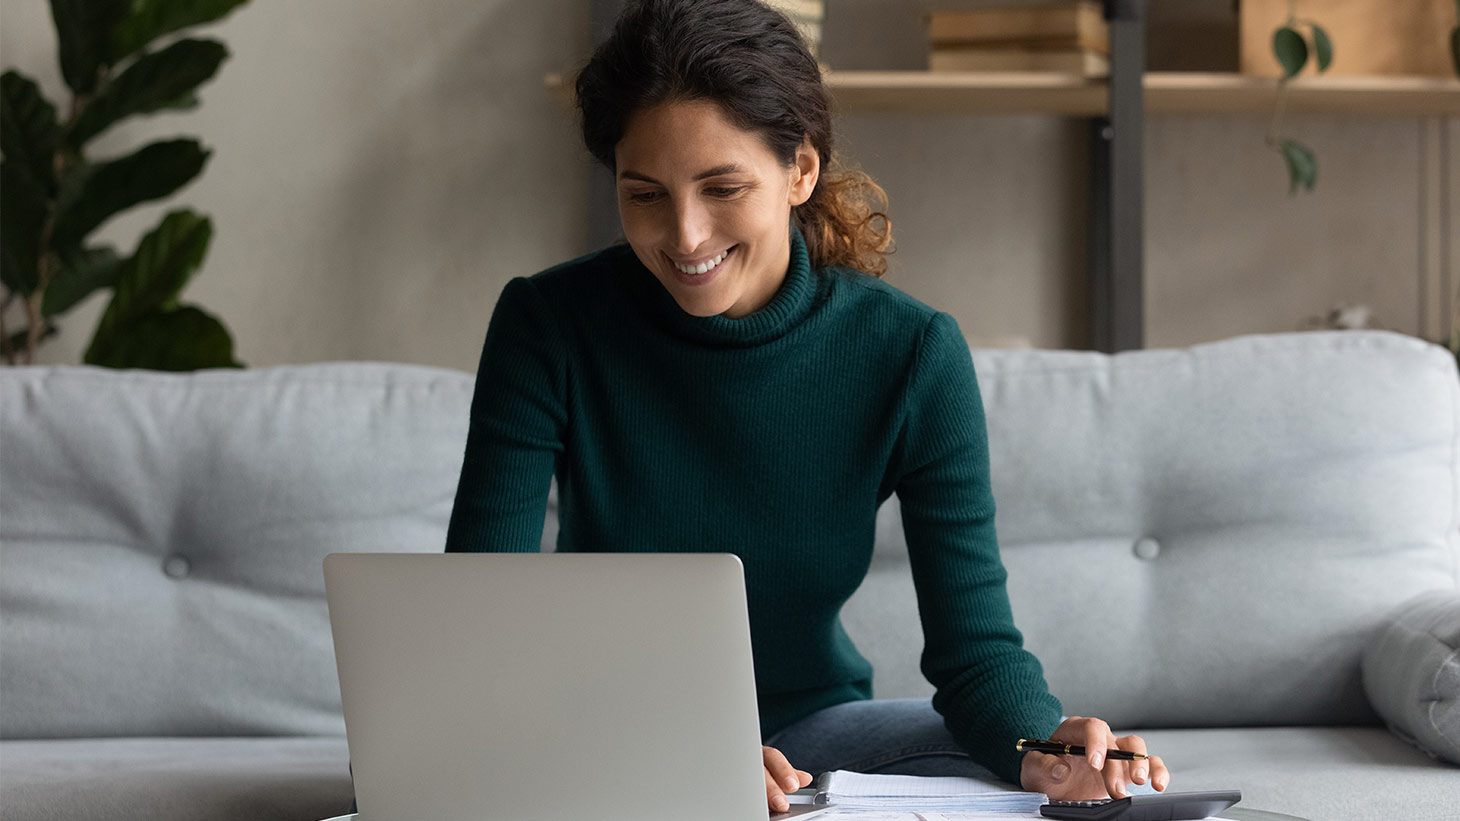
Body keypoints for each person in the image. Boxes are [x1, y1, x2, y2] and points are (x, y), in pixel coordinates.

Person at [444, 0, 1171, 814]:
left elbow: (976, 651)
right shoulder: (548, 325)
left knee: (998, 780)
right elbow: (483, 627)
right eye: (644, 194)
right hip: (601, 730)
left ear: (801, 172)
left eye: (722, 188)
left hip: (816, 731)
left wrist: (1046, 748)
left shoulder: (913, 352)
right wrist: (658, 748)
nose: (684, 236)